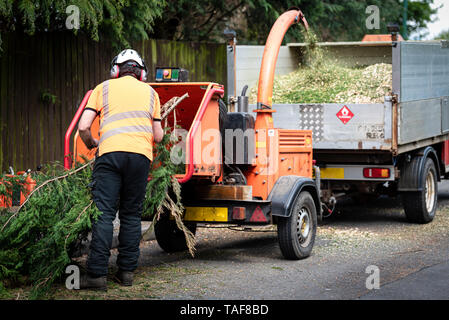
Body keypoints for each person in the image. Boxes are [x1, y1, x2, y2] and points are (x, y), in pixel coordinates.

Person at [76, 49, 164, 290]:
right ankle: (126, 274)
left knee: (104, 214)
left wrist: (92, 143)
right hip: (139, 158)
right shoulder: (151, 93)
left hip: (110, 155)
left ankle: (96, 276)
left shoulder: (102, 88)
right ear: (141, 73)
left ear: (116, 70)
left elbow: (84, 127)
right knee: (131, 215)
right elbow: (158, 136)